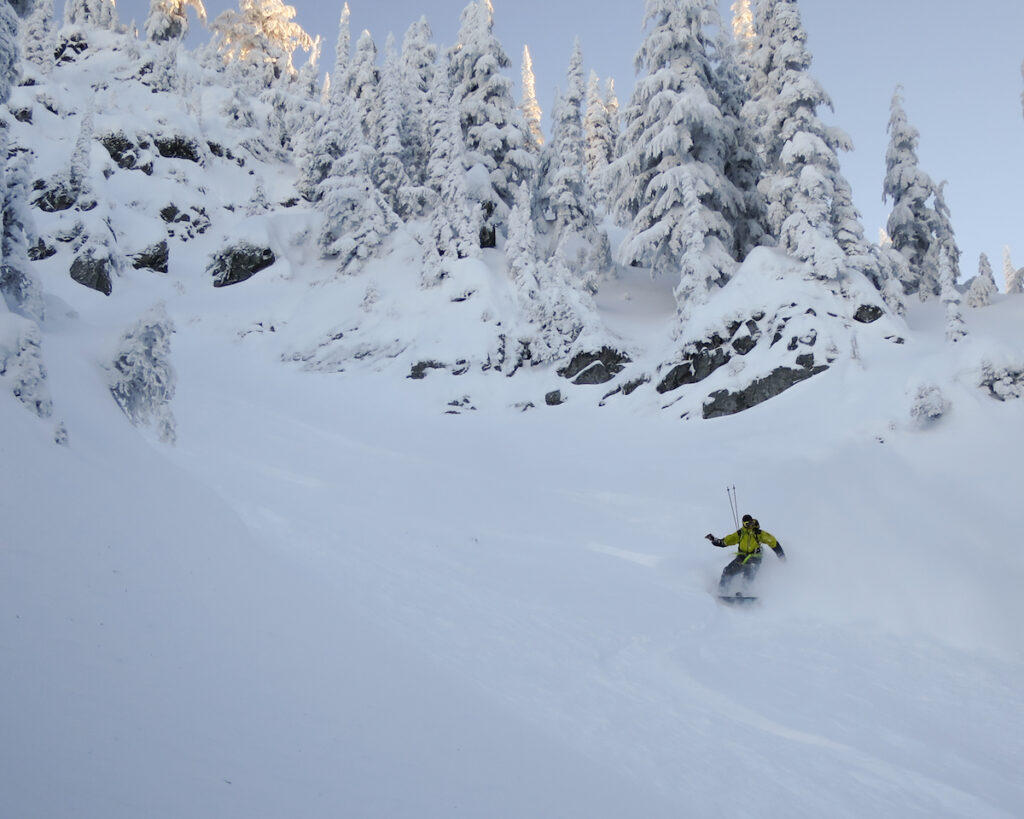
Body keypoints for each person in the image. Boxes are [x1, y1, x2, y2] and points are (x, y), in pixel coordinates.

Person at [705, 514, 786, 595]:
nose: (750, 526)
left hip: (755, 558)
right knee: (727, 571)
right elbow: (725, 541)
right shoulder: (740, 534)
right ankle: (722, 591)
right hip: (742, 557)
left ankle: (744, 592)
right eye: (748, 524)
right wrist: (714, 540)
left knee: (749, 570)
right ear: (744, 524)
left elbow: (773, 542)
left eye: (751, 523)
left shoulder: (758, 533)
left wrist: (781, 556)